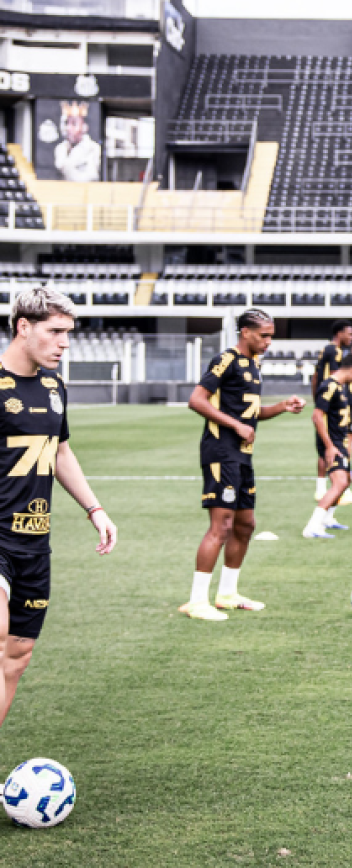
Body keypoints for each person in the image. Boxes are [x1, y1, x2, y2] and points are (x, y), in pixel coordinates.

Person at [0, 287, 117, 725]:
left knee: (17, 656)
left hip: (34, 541)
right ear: (23, 327)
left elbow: (60, 451)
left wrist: (95, 509)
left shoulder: (54, 385)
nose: (65, 343)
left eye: (69, 332)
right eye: (55, 332)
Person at [183, 309, 305, 621]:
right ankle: (198, 601)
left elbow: (250, 413)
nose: (268, 342)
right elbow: (197, 400)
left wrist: (281, 407)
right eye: (263, 335)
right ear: (245, 333)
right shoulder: (226, 360)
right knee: (221, 526)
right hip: (220, 451)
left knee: (245, 524)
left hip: (243, 454)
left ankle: (227, 594)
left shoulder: (254, 365)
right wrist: (235, 426)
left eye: (270, 336)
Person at [304, 353, 352, 539]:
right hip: (332, 443)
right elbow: (317, 416)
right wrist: (329, 446)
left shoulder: (340, 387)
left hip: (340, 442)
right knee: (339, 483)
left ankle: (327, 519)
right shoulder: (329, 386)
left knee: (346, 480)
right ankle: (313, 526)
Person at [312, 320, 352, 501]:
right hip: (331, 403)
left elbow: (315, 376)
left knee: (326, 448)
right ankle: (331, 487)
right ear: (340, 333)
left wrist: (317, 399)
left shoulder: (326, 349)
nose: (351, 338)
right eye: (349, 334)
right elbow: (334, 377)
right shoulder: (335, 351)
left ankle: (323, 488)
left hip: (325, 401)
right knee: (331, 445)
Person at [53, 102, 101, 183]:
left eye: (74, 124)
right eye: (67, 123)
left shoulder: (93, 148)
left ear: (84, 127)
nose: (69, 128)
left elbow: (91, 176)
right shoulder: (60, 148)